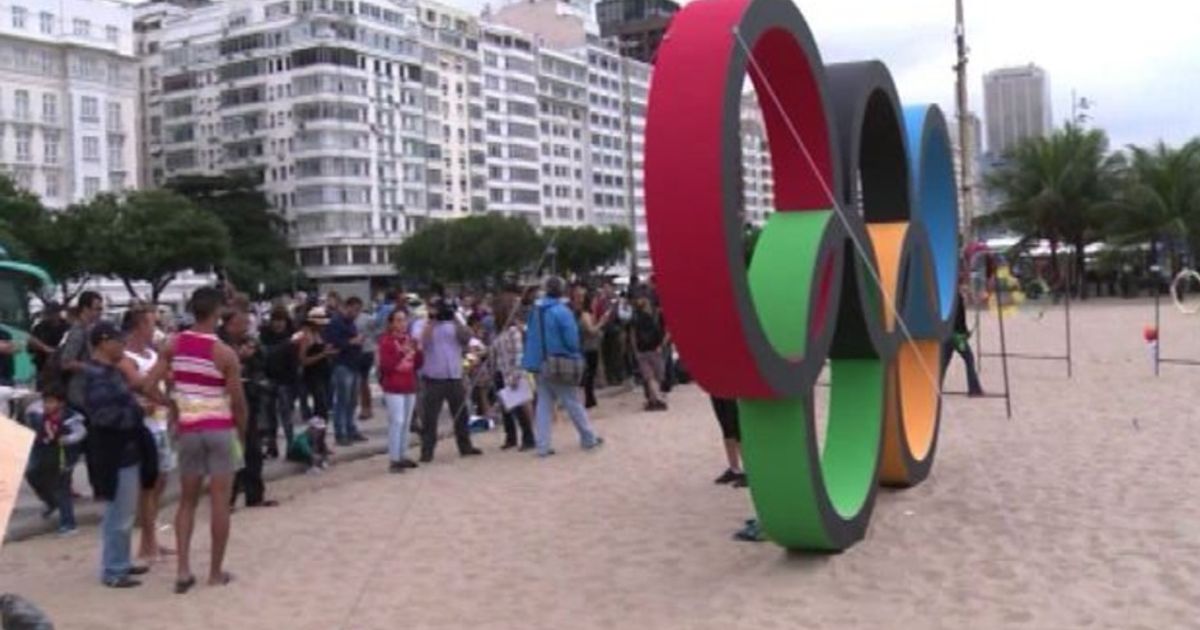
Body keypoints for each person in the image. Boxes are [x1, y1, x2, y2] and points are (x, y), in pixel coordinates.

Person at [148, 287, 247, 594]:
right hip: (219, 428)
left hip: (189, 428)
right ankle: (215, 572)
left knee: (187, 501)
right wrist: (240, 434)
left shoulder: (173, 344)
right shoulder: (225, 353)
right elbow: (239, 402)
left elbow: (148, 385)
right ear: (217, 313)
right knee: (219, 502)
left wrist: (173, 404)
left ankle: (183, 569)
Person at [83, 321, 153, 588]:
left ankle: (120, 561)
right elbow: (103, 416)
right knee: (119, 513)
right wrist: (137, 412)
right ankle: (113, 569)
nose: (122, 346)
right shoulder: (95, 375)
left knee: (125, 510)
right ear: (103, 342)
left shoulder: (110, 372)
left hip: (127, 447)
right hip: (115, 450)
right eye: (117, 341)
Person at [116, 306, 177, 562]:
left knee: (160, 483)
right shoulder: (126, 357)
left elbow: (168, 379)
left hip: (161, 423)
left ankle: (150, 539)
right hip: (144, 426)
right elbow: (139, 384)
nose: (156, 328)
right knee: (147, 486)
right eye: (152, 323)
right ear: (140, 325)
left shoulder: (152, 353)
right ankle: (147, 543)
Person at [521, 276, 603, 457]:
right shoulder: (562, 311)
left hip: (539, 362)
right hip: (560, 361)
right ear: (562, 291)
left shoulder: (536, 311)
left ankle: (542, 445)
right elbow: (572, 341)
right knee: (572, 401)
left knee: (543, 405)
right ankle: (588, 437)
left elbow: (531, 337)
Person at [221, 301, 277, 509]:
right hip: (226, 404)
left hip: (249, 399)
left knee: (253, 449)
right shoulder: (220, 343)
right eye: (241, 323)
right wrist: (238, 358)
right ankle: (229, 499)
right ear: (230, 324)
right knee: (233, 451)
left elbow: (263, 364)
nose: (245, 327)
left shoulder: (248, 341)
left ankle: (255, 495)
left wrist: (254, 354)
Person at [416, 292, 482, 462]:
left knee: (461, 414)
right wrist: (431, 320)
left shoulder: (452, 325)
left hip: (454, 375)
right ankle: (427, 451)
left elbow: (468, 338)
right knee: (430, 418)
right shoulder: (422, 324)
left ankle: (465, 446)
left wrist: (454, 317)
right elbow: (421, 343)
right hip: (433, 377)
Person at [22, 386, 85, 535]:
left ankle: (69, 524)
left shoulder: (71, 417)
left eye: (51, 402)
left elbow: (81, 432)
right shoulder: (37, 414)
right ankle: (51, 502)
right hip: (43, 452)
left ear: (61, 403)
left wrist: (67, 439)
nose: (47, 405)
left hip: (64, 456)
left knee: (62, 487)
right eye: (45, 402)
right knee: (32, 474)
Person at [378, 309, 422, 473]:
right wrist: (402, 352)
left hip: (408, 384)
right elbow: (386, 366)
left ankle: (403, 454)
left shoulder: (408, 339)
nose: (402, 324)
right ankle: (394, 458)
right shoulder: (387, 341)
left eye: (404, 320)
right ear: (391, 323)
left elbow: (417, 364)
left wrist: (418, 350)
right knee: (397, 421)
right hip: (393, 386)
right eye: (398, 320)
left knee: (406, 422)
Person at [491, 295, 534, 450]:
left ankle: (528, 437)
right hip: (501, 371)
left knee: (519, 407)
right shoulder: (499, 332)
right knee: (506, 408)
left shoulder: (513, 331)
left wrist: (516, 374)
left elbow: (518, 354)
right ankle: (511, 436)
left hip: (513, 373)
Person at [259, 306, 300, 459]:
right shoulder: (267, 336)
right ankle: (272, 446)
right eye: (276, 321)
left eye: (281, 321)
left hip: (285, 381)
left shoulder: (290, 337)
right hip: (271, 379)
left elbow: (295, 363)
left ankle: (290, 446)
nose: (278, 324)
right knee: (270, 417)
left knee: (286, 416)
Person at [324, 297, 366, 446]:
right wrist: (351, 342)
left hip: (354, 364)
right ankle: (340, 432)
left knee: (352, 401)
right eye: (354, 310)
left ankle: (350, 428)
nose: (356, 313)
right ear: (347, 307)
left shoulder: (351, 323)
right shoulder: (336, 322)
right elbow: (332, 343)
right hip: (342, 364)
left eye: (358, 311)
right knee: (342, 401)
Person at [59, 291, 104, 411]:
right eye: (97, 309)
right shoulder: (78, 331)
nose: (100, 312)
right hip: (80, 393)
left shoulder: (89, 329)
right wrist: (91, 368)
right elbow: (66, 362)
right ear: (85, 309)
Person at [943, 284, 984, 397]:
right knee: (969, 358)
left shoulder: (948, 298)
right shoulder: (957, 298)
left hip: (948, 334)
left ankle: (935, 386)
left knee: (944, 361)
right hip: (956, 336)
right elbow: (959, 319)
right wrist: (964, 333)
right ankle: (974, 389)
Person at [572, 286, 610, 408]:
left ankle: (590, 398)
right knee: (588, 374)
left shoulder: (584, 313)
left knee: (590, 374)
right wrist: (602, 322)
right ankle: (588, 399)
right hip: (589, 347)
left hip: (589, 346)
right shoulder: (585, 314)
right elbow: (591, 330)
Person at [631, 295, 670, 411]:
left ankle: (653, 400)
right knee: (657, 376)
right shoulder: (653, 318)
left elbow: (633, 337)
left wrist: (635, 350)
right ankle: (658, 399)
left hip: (642, 350)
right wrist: (661, 345)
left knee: (649, 378)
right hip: (654, 349)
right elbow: (661, 333)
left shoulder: (635, 320)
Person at [299, 308, 336, 426]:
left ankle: (320, 437)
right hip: (313, 376)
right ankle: (316, 436)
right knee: (320, 407)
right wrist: (322, 354)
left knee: (324, 408)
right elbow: (303, 360)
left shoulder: (318, 335)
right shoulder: (306, 336)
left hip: (323, 373)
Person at [28, 302, 69, 386]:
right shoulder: (39, 327)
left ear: (58, 313)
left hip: (60, 369)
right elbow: (30, 346)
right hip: (42, 367)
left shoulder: (67, 327)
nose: (50, 316)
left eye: (52, 313)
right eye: (48, 313)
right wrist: (44, 348)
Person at [710, 396, 747, 486]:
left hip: (732, 390)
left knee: (737, 429)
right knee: (726, 429)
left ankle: (750, 473)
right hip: (716, 388)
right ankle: (734, 469)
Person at [355, 301, 379, 422]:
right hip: (360, 351)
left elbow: (376, 333)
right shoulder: (364, 318)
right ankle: (366, 408)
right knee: (362, 382)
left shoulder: (367, 319)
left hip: (365, 351)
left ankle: (366, 408)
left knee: (362, 382)